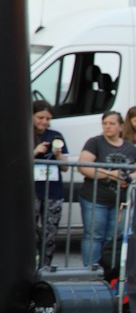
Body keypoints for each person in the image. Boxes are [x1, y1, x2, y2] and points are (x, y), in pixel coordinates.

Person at [77, 111, 136, 267]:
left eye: (111, 123)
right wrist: (109, 174)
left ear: (121, 126)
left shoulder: (129, 147)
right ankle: (90, 272)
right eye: (105, 123)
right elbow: (83, 166)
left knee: (112, 238)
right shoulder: (94, 142)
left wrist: (128, 178)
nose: (107, 126)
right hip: (95, 198)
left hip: (120, 201)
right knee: (94, 236)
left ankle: (107, 271)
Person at [32, 101, 68, 267]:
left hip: (53, 191)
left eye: (48, 118)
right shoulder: (23, 133)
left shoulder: (56, 135)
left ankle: (45, 267)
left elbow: (66, 167)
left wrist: (58, 155)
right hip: (31, 191)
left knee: (50, 233)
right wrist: (35, 152)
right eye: (40, 117)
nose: (44, 122)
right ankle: (28, 267)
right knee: (29, 232)